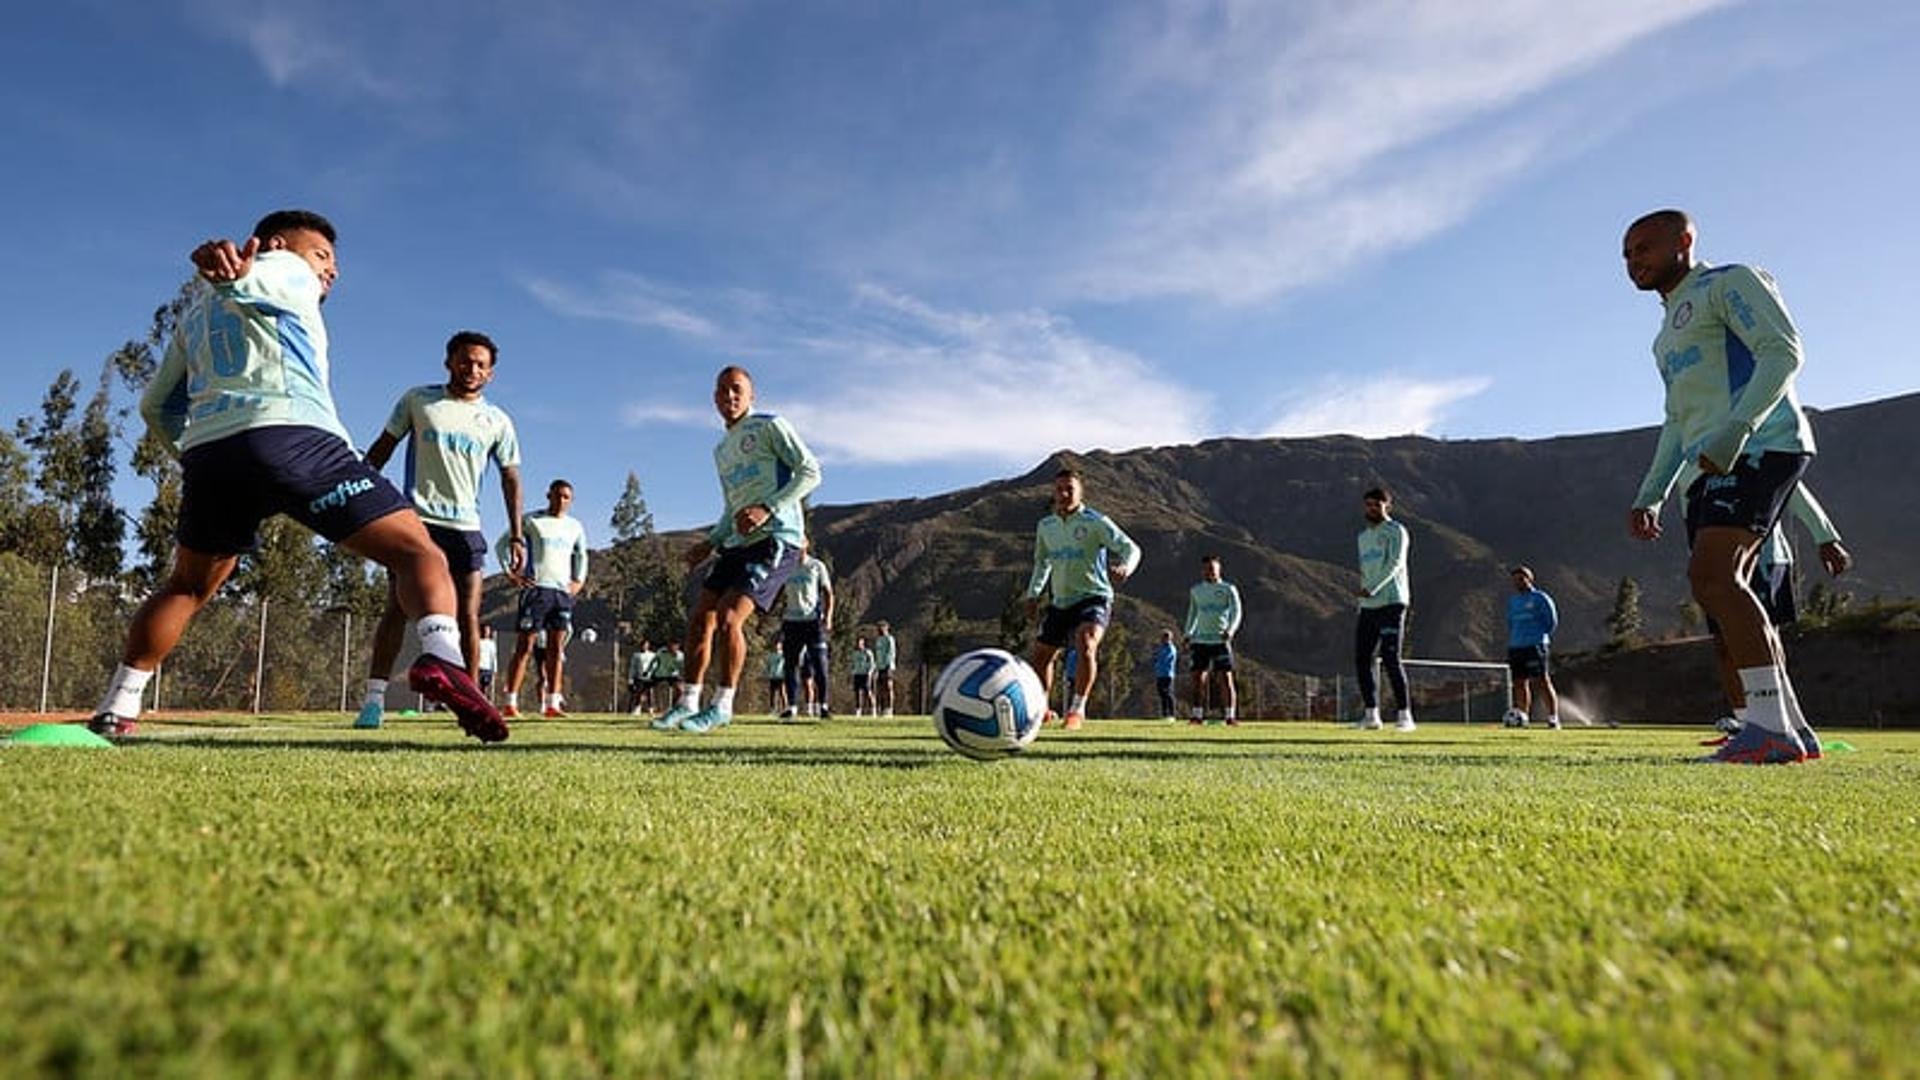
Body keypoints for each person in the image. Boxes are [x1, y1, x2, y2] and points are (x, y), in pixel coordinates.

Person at [89, 210, 504, 742]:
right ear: (280, 244)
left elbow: (154, 406)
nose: (329, 272)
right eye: (323, 256)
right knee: (418, 552)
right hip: (293, 436)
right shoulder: (285, 268)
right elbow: (255, 275)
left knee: (188, 586)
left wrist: (192, 453)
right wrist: (238, 268)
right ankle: (442, 657)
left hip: (211, 457)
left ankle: (117, 706)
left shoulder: (191, 317)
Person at [1624, 209, 1821, 764]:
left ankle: (1767, 729)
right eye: (1627, 254)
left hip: (1763, 444)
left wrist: (1738, 429)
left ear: (1684, 242)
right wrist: (1652, 492)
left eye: (1644, 247)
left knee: (1714, 575)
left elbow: (1784, 351)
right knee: (1723, 584)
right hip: (1710, 464)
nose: (1634, 261)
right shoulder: (1664, 337)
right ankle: (1790, 727)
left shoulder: (1728, 283)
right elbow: (1676, 420)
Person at [353, 330, 522, 730]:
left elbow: (511, 478)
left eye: (481, 364)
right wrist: (355, 490)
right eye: (465, 360)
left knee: (468, 614)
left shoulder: (497, 420)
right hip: (417, 523)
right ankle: (374, 702)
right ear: (449, 361)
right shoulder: (418, 400)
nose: (472, 369)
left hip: (466, 528)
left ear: (491, 374)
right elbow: (382, 447)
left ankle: (471, 699)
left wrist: (516, 534)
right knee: (396, 609)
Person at [653, 366, 822, 734]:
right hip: (737, 544)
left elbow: (810, 471)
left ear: (751, 395)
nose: (729, 396)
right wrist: (711, 541)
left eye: (737, 389)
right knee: (701, 618)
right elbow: (733, 509)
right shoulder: (721, 450)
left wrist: (768, 508)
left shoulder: (770, 426)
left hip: (778, 538)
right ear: (714, 399)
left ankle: (722, 705)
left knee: (730, 618)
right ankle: (687, 703)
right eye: (722, 391)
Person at [1025, 467, 1140, 730]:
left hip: (1093, 596)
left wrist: (1125, 567)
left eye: (1070, 489)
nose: (1064, 494)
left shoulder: (1095, 522)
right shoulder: (1046, 526)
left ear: (1080, 492)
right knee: (1042, 656)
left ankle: (1077, 709)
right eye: (1059, 490)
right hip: (1060, 601)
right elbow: (1042, 563)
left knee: (1086, 642)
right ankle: (1042, 709)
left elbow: (1131, 549)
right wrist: (1033, 594)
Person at [501, 480, 589, 718]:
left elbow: (581, 554)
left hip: (561, 593)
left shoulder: (575, 527)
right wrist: (510, 573)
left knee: (555, 649)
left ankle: (552, 703)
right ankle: (510, 702)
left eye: (566, 497)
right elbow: (504, 542)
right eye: (558, 495)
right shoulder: (532, 521)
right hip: (536, 590)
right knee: (525, 647)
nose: (561, 500)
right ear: (548, 495)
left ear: (571, 500)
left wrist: (578, 581)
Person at [1355, 486, 1414, 732]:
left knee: (1390, 658)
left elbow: (1395, 563)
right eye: (1368, 504)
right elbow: (1365, 570)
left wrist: (1374, 587)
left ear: (1387, 506)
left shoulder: (1396, 531)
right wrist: (1364, 595)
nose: (1371, 509)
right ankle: (1371, 715)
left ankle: (1405, 716)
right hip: (1368, 605)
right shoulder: (1362, 537)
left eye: (1376, 505)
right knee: (1362, 658)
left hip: (1392, 601)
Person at [1184, 554, 1243, 726]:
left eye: (1213, 568)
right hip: (1200, 641)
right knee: (1197, 678)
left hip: (1220, 641)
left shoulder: (1228, 589)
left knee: (1225, 678)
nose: (1210, 572)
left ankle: (1230, 716)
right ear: (1202, 570)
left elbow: (1237, 612)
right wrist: (1188, 634)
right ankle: (1197, 715)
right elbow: (1193, 613)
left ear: (1219, 569)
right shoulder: (1196, 590)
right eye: (1207, 569)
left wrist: (1230, 631)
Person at [777, 543, 834, 721]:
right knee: (790, 665)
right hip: (791, 622)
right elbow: (778, 591)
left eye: (799, 542)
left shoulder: (817, 566)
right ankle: (791, 707)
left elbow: (828, 593)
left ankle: (823, 706)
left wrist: (828, 616)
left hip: (813, 622)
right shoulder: (785, 567)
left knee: (820, 665)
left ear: (806, 545)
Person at [1504, 566, 1561, 729]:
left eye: (1521, 579)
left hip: (1535, 645)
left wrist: (1538, 636)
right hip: (1516, 646)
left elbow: (1551, 622)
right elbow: (1511, 622)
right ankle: (1523, 717)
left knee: (1542, 681)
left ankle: (1553, 718)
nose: (1517, 582)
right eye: (1515, 579)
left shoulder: (1540, 598)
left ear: (1529, 579)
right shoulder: (1513, 601)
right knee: (1519, 683)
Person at [872, 621, 899, 717]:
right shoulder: (878, 640)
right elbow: (877, 654)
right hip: (880, 667)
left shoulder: (889, 639)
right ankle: (882, 708)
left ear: (886, 628)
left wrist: (888, 664)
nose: (879, 630)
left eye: (882, 628)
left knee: (888, 687)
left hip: (888, 666)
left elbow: (891, 653)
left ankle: (890, 708)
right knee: (880, 688)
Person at [1151, 630, 1178, 721]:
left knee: (1168, 694)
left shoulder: (1171, 648)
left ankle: (1171, 714)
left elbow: (1164, 659)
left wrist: (1157, 660)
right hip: (1160, 674)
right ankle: (1164, 714)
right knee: (1162, 694)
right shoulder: (1161, 648)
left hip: (1167, 674)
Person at [626, 638, 657, 716]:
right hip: (639, 678)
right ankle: (637, 709)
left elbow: (655, 666)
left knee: (650, 693)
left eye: (646, 645)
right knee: (638, 693)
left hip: (649, 678)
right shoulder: (636, 655)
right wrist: (631, 679)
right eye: (643, 645)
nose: (644, 646)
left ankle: (651, 709)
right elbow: (633, 667)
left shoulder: (652, 655)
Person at [850, 635, 876, 716]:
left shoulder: (868, 652)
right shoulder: (854, 653)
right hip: (857, 674)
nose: (858, 644)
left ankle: (873, 709)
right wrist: (852, 672)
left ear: (863, 643)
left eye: (860, 643)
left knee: (868, 692)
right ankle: (858, 710)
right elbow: (853, 664)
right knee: (857, 693)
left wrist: (870, 673)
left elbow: (872, 664)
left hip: (865, 674)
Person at [764, 646, 788, 716]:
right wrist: (767, 673)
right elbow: (768, 666)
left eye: (778, 645)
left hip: (781, 677)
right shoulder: (771, 655)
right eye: (776, 645)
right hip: (773, 677)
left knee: (782, 693)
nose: (776, 646)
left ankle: (785, 708)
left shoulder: (783, 655)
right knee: (772, 694)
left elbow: (785, 665)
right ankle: (773, 709)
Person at [476, 626, 499, 699]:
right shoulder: (477, 642)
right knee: (477, 685)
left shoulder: (491, 644)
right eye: (484, 630)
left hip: (487, 668)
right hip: (479, 667)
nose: (485, 632)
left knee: (485, 685)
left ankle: (484, 698)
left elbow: (493, 657)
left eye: (487, 631)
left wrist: (494, 669)